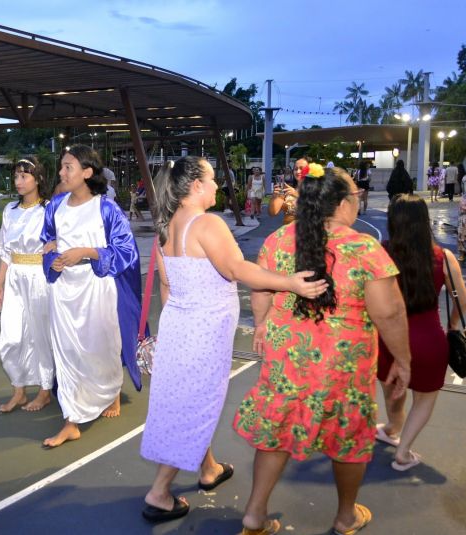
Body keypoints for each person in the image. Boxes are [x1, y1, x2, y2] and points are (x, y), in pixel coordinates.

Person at [139, 157, 328, 523]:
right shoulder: (207, 223)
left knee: (187, 400)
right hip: (203, 331)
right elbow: (237, 269)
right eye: (211, 180)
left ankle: (208, 469)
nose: (216, 186)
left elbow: (167, 285)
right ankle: (160, 492)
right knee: (194, 407)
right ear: (195, 185)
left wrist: (175, 327)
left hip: (179, 325)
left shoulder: (167, 226)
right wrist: (290, 283)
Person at [232, 165, 411, 535]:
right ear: (344, 203)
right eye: (357, 197)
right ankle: (345, 517)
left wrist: (263, 325)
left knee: (277, 429)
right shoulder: (363, 247)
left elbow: (261, 289)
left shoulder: (280, 239)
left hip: (286, 356)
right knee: (348, 434)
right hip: (342, 362)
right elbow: (389, 312)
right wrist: (404, 360)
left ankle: (254, 513)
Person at [40, 145, 142, 448]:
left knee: (101, 346)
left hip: (97, 288)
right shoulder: (54, 206)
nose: (61, 172)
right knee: (67, 351)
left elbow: (126, 251)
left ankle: (110, 391)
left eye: (68, 167)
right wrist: (53, 258)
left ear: (87, 172)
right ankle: (71, 419)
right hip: (63, 288)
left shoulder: (106, 209)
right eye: (62, 167)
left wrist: (86, 252)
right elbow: (47, 242)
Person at [375, 194, 466, 471]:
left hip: (389, 339)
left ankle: (392, 427)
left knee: (393, 390)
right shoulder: (444, 257)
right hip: (430, 339)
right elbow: (463, 301)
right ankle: (403, 452)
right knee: (424, 399)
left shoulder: (381, 253)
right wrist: (452, 326)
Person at [0, 157, 54, 413]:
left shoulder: (49, 208)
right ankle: (18, 389)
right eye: (16, 176)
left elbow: (60, 241)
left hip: (39, 275)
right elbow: (6, 250)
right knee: (11, 335)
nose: (18, 181)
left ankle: (44, 389)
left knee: (41, 334)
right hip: (16, 275)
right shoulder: (10, 210)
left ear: (38, 178)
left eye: (24, 176)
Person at [268, 157, 309, 225]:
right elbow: (273, 213)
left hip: (308, 232)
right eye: (296, 169)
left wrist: (297, 195)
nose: (298, 171)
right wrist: (274, 197)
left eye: (301, 168)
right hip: (288, 233)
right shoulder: (287, 190)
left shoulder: (317, 190)